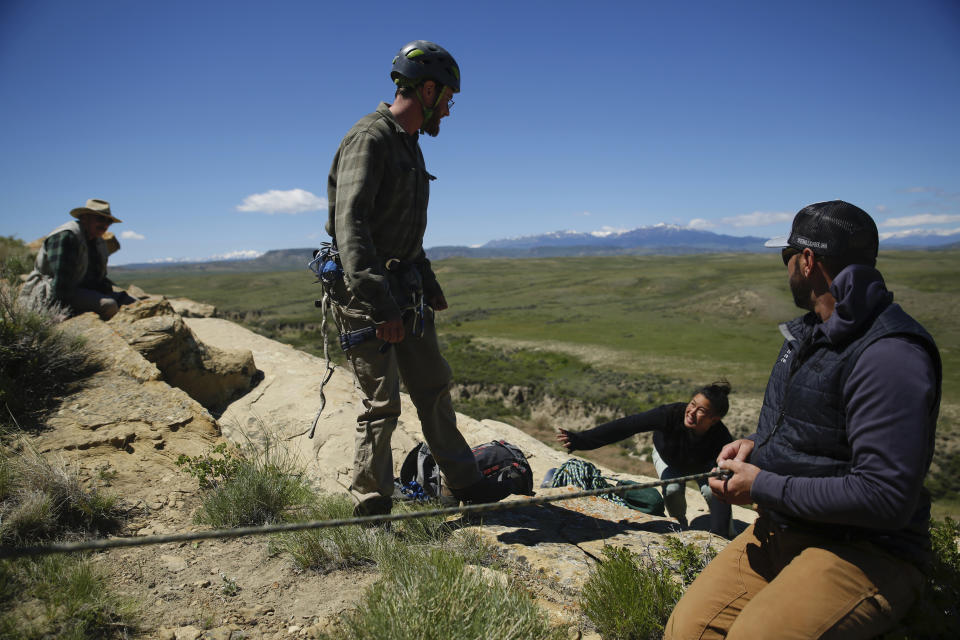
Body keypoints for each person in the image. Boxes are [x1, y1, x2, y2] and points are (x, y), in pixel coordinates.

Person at [665, 201, 941, 640]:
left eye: (787, 257)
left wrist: (761, 485)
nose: (786, 268)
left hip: (864, 550)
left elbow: (886, 495)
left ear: (808, 261)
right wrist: (759, 445)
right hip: (782, 529)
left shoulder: (889, 355)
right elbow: (816, 428)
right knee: (686, 631)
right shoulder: (809, 333)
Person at [324, 40, 488, 516]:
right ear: (429, 89)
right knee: (382, 405)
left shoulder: (409, 147)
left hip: (406, 289)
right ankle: (372, 504)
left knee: (433, 384)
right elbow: (350, 227)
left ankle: (463, 483)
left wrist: (428, 281)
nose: (449, 111)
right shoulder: (370, 138)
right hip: (370, 295)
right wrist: (380, 306)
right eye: (449, 99)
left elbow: (402, 233)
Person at [556, 382, 735, 537]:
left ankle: (726, 533)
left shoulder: (721, 439)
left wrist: (720, 536)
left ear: (714, 419)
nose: (691, 412)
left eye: (701, 410)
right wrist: (581, 440)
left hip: (702, 466)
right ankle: (680, 527)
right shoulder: (670, 414)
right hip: (669, 459)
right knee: (672, 489)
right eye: (692, 404)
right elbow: (627, 426)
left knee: (714, 492)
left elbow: (724, 483)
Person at [19, 199, 135, 320]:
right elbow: (61, 281)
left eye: (109, 221)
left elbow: (98, 277)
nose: (105, 225)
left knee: (132, 303)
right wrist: (59, 311)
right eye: (100, 219)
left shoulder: (97, 241)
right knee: (108, 305)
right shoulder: (66, 236)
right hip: (52, 293)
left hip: (79, 289)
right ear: (85, 217)